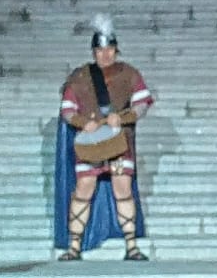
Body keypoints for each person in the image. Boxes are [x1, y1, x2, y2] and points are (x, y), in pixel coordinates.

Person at [56, 15, 153, 261]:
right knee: (84, 189)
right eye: (100, 50)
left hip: (119, 144)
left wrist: (124, 117)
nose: (105, 55)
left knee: (123, 188)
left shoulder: (129, 73)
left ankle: (131, 246)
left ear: (116, 50)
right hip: (91, 147)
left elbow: (142, 103)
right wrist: (82, 123)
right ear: (94, 52)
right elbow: (67, 109)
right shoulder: (79, 77)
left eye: (109, 49)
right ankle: (74, 246)